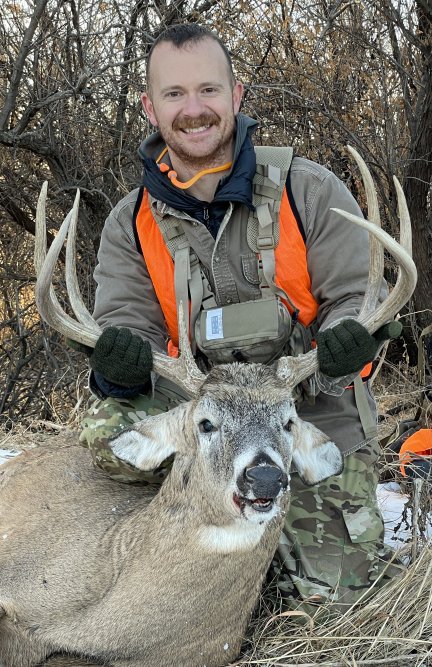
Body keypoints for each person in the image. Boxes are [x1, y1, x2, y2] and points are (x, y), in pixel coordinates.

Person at [78, 22, 401, 614]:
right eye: (174, 94)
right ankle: (181, 521)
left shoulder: (307, 190)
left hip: (304, 416)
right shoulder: (130, 224)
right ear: (150, 107)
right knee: (107, 430)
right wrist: (119, 364)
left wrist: (344, 340)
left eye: (208, 89)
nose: (193, 109)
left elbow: (359, 293)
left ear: (237, 94)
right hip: (202, 420)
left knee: (338, 602)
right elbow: (127, 321)